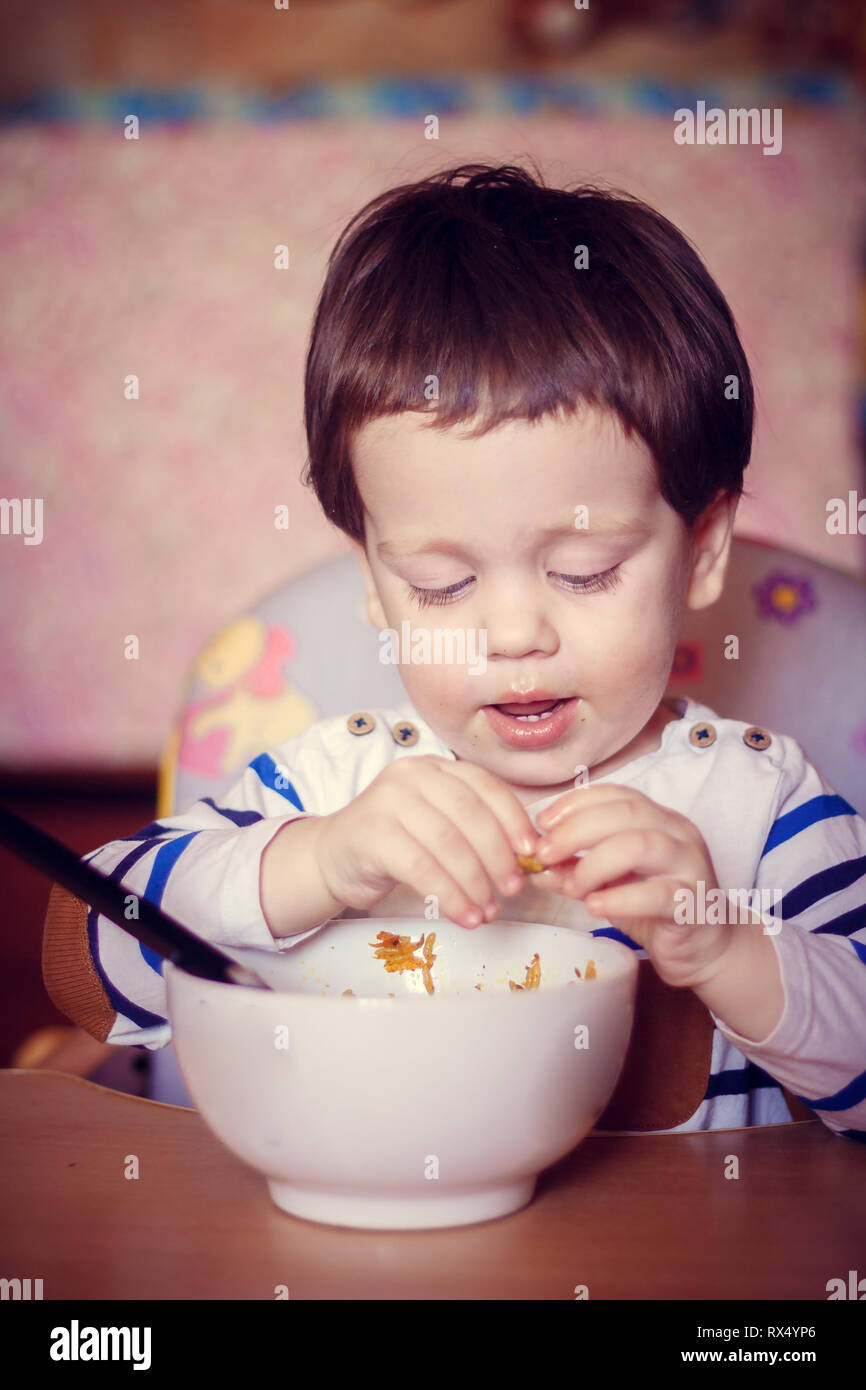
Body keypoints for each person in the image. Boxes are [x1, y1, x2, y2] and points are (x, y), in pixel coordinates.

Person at [49, 162, 866, 1136]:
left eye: (584, 570)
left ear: (702, 551)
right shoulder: (332, 784)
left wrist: (724, 947)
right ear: (373, 579)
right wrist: (320, 863)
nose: (512, 635)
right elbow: (84, 963)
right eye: (440, 583)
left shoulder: (761, 807)